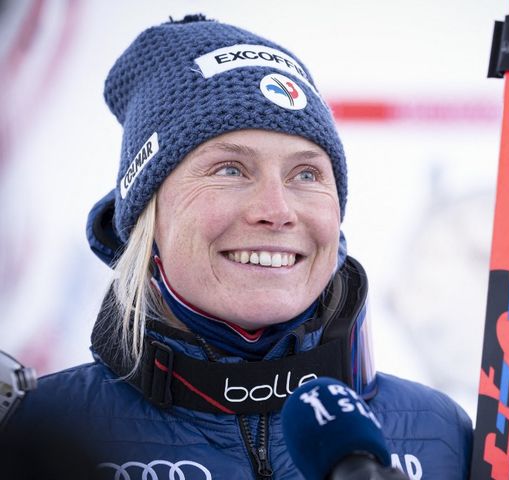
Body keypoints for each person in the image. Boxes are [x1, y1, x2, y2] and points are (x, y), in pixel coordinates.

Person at [4, 14, 472, 479]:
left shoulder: (441, 434)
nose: (277, 209)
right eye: (230, 169)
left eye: (306, 174)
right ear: (149, 215)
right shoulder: (38, 434)